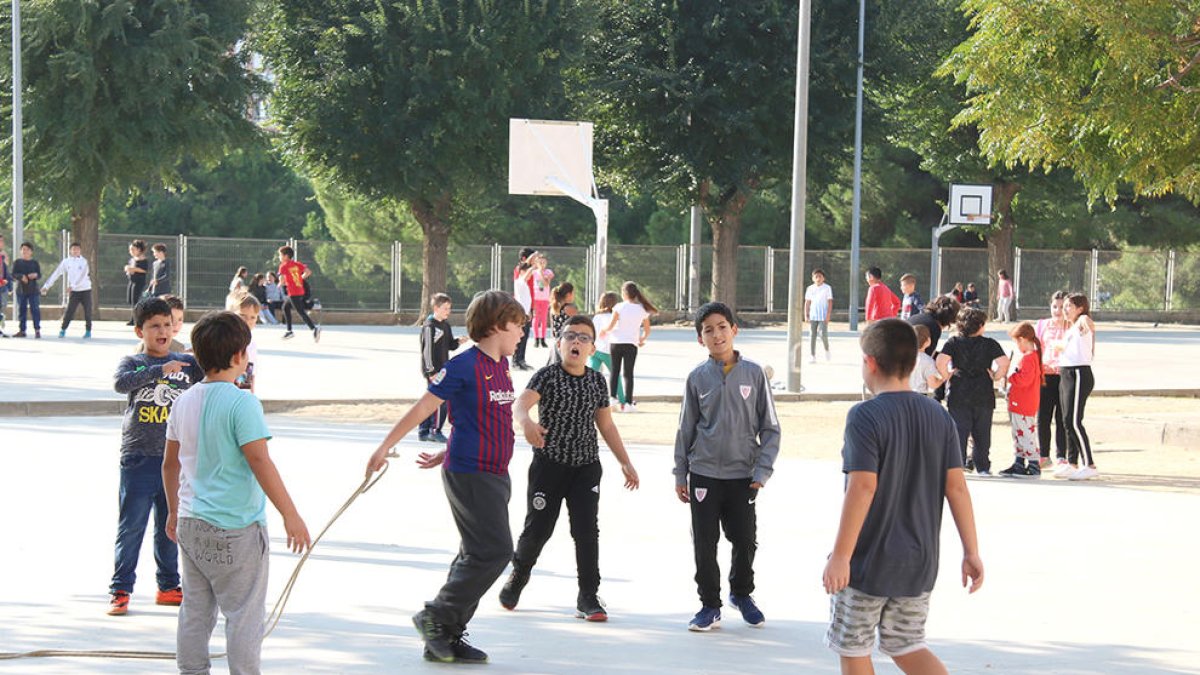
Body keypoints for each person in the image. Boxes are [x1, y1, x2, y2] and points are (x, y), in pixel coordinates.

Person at [365, 290, 525, 664]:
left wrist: (445, 449)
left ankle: (446, 637)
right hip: (472, 473)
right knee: (496, 551)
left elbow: (478, 418)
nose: (522, 332)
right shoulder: (462, 366)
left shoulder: (500, 364)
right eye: (518, 325)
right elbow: (423, 407)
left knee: (474, 553)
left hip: (494, 471)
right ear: (499, 325)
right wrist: (383, 446)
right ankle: (435, 616)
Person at [822, 318, 983, 675]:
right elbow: (957, 487)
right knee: (906, 645)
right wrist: (971, 551)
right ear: (914, 364)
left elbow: (863, 487)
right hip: (918, 563)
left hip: (867, 564)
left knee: (853, 647)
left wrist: (841, 557)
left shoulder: (864, 416)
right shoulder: (937, 416)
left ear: (870, 362)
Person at [163, 311, 311, 674]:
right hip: (236, 529)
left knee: (195, 610)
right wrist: (290, 514)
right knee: (244, 615)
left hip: (190, 523)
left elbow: (170, 464)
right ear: (238, 357)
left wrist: (171, 511)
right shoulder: (243, 402)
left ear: (198, 356)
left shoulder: (183, 401)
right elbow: (260, 461)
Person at [502, 315, 640, 621]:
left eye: (584, 338)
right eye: (570, 336)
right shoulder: (546, 376)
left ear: (592, 348)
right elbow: (520, 405)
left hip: (586, 468)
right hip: (549, 467)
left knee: (587, 532)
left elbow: (606, 424)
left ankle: (588, 595)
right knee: (538, 530)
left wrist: (625, 462)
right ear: (559, 342)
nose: (576, 342)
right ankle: (518, 576)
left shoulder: (596, 381)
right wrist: (526, 422)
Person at [674, 302, 781, 632]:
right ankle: (709, 605)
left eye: (722, 327)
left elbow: (771, 427)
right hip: (704, 472)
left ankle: (741, 593)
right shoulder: (697, 378)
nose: (716, 334)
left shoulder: (754, 374)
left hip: (743, 476)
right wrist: (681, 472)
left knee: (745, 539)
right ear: (699, 338)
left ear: (734, 330)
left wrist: (762, 471)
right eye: (708, 330)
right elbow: (686, 428)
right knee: (704, 542)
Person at [108, 297, 205, 616]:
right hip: (138, 457)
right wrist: (159, 370)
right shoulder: (132, 363)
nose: (162, 331)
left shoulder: (188, 363)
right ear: (140, 331)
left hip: (175, 461)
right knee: (131, 525)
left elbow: (214, 377)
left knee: (170, 524)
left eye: (167, 324)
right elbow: (120, 384)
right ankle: (120, 589)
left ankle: (168, 585)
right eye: (154, 326)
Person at [936, 307, 1009, 475]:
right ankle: (983, 466)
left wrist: (947, 375)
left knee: (959, 430)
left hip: (959, 389)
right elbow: (1004, 362)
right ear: (981, 326)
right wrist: (996, 376)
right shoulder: (990, 343)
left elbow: (940, 361)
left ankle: (958, 464)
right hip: (983, 389)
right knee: (982, 432)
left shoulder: (953, 342)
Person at [1055, 293, 1098, 481]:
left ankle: (1089, 464)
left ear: (1080, 308)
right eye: (1064, 306)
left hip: (1079, 373)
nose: (1065, 310)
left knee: (1074, 421)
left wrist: (1083, 319)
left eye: (1069, 306)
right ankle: (1072, 463)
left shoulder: (1082, 321)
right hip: (1066, 373)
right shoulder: (1070, 329)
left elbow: (1088, 324)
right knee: (1066, 420)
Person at [419, 293, 468, 443]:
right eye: (445, 308)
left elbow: (450, 346)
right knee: (441, 400)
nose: (448, 311)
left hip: (443, 369)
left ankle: (423, 430)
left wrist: (459, 341)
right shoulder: (429, 326)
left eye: (449, 308)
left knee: (431, 400)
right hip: (434, 371)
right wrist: (431, 371)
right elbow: (426, 351)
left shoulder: (445, 325)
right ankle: (435, 430)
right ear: (436, 308)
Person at [600, 282, 657, 412]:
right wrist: (641, 339)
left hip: (616, 342)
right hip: (631, 344)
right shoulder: (642, 309)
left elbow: (611, 325)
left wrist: (604, 331)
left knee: (614, 371)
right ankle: (628, 403)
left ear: (624, 294)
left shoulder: (619, 307)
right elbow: (647, 330)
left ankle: (612, 398)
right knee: (628, 373)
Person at [999, 322, 1043, 478]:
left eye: (1017, 341)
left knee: (1025, 433)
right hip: (1022, 402)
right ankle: (1019, 462)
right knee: (1019, 433)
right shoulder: (1032, 357)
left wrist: (1011, 377)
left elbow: (1024, 379)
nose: (1016, 345)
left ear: (1023, 339)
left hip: (1023, 402)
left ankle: (1033, 464)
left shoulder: (1028, 358)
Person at [1035, 292, 1070, 470]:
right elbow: (1036, 349)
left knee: (1062, 417)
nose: (1057, 310)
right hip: (1045, 375)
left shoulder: (1072, 326)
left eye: (1062, 307)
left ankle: (1062, 455)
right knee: (1043, 416)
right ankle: (1043, 454)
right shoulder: (1042, 325)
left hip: (1064, 374)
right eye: (1054, 306)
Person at [41, 242, 94, 339]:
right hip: (74, 292)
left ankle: (88, 331)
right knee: (70, 311)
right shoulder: (66, 262)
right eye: (73, 249)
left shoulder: (84, 262)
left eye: (77, 249)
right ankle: (63, 330)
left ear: (80, 250)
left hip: (85, 289)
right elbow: (56, 273)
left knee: (87, 311)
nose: (75, 251)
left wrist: (72, 286)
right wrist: (47, 286)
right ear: (70, 250)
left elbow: (82, 276)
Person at [588, 292, 625, 408]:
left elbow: (592, 333)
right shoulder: (616, 317)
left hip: (596, 350)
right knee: (615, 375)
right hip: (609, 351)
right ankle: (622, 401)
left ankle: (585, 397)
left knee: (589, 375)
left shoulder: (597, 317)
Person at [277, 246, 320, 342]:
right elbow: (308, 272)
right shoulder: (297, 264)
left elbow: (282, 280)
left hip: (293, 292)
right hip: (300, 291)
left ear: (286, 256)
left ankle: (314, 329)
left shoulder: (283, 266)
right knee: (285, 307)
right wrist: (300, 278)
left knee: (300, 312)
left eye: (280, 255)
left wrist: (280, 284)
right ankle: (289, 331)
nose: (279, 257)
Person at [512, 247, 537, 370]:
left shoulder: (528, 273)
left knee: (525, 334)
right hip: (521, 308)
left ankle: (521, 358)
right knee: (519, 334)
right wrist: (534, 258)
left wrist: (532, 308)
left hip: (528, 308)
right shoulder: (520, 270)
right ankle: (516, 360)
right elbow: (526, 268)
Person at [12, 242, 42, 338]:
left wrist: (35, 275)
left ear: (31, 252)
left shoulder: (35, 263)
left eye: (27, 250)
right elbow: (13, 274)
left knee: (35, 310)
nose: (25, 251)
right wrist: (21, 277)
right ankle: (22, 330)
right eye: (23, 249)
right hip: (21, 290)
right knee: (22, 310)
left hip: (33, 290)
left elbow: (39, 275)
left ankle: (37, 330)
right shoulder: (17, 262)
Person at [234, 294, 262, 393]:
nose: (247, 321)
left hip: (241, 394)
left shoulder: (251, 344)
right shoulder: (225, 339)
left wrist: (251, 397)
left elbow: (251, 373)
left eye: (253, 317)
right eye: (243, 316)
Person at [804, 268, 834, 363]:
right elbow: (807, 302)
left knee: (822, 334)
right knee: (812, 335)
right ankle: (812, 356)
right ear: (813, 278)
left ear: (823, 278)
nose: (818, 278)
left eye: (820, 276)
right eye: (816, 276)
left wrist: (828, 315)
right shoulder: (810, 288)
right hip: (813, 315)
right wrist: (806, 314)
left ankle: (827, 350)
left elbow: (830, 302)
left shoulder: (827, 288)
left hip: (823, 315)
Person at [546, 282, 578, 365]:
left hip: (557, 342)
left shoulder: (553, 307)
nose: (574, 296)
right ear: (568, 294)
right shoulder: (569, 308)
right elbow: (579, 323)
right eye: (573, 293)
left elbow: (553, 328)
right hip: (567, 342)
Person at [908, 324, 943, 396]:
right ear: (928, 341)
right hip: (918, 396)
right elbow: (933, 384)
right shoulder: (928, 361)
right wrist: (943, 378)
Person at [530, 252, 555, 348]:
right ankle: (536, 339)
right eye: (540, 262)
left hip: (544, 298)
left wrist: (541, 272)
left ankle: (543, 339)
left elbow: (545, 284)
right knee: (536, 318)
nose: (542, 264)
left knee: (544, 319)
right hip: (536, 298)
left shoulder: (548, 272)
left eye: (544, 262)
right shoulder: (533, 272)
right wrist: (537, 270)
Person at [124, 239, 149, 326]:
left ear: (139, 249)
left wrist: (133, 269)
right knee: (130, 300)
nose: (131, 251)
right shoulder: (132, 259)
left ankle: (134, 319)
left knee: (136, 300)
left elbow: (144, 270)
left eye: (133, 249)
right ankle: (133, 318)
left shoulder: (143, 259)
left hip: (139, 282)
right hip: (132, 281)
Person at [0, 235, 9, 336]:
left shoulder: (3, 255)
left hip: (3, 285)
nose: (1, 243)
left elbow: (6, 270)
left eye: (2, 241)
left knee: (3, 306)